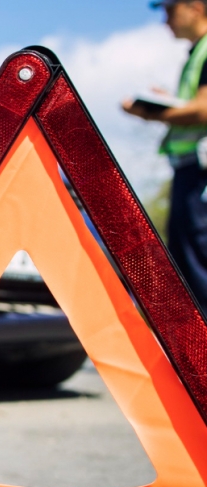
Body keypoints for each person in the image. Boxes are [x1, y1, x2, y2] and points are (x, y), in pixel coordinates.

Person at [124, 0, 207, 309]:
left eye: (170, 11)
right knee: (189, 263)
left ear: (195, 7)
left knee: (197, 264)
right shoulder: (197, 53)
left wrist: (151, 112)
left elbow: (202, 110)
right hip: (192, 172)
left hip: (200, 175)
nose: (165, 21)